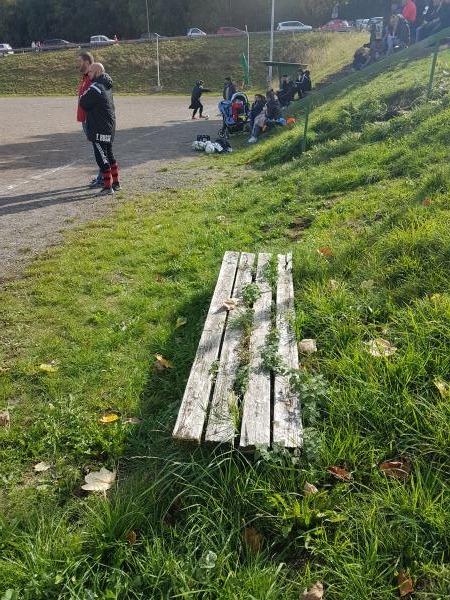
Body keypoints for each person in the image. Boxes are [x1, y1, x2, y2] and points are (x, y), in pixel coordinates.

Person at [80, 62, 121, 195]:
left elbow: (84, 102)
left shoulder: (97, 87)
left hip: (99, 127)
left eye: (91, 72)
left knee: (101, 157)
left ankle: (108, 187)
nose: (88, 74)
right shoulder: (107, 86)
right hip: (108, 126)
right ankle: (116, 183)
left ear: (97, 72)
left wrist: (84, 94)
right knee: (109, 155)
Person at [77, 52, 103, 188]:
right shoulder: (85, 78)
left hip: (91, 120)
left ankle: (103, 177)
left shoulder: (92, 79)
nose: (78, 64)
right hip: (85, 119)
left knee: (99, 149)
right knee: (97, 148)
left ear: (87, 62)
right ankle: (101, 176)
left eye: (80, 61)